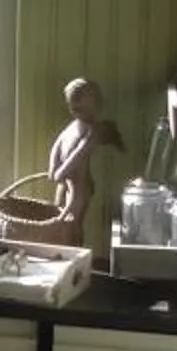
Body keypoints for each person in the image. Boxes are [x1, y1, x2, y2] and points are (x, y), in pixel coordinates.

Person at [46, 76, 122, 246]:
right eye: (73, 105)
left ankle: (75, 250)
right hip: (64, 181)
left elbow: (80, 153)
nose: (76, 109)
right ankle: (60, 247)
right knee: (57, 216)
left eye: (82, 105)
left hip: (80, 185)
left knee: (73, 222)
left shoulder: (92, 131)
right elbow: (57, 144)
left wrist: (61, 170)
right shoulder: (73, 126)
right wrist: (53, 166)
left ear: (96, 106)